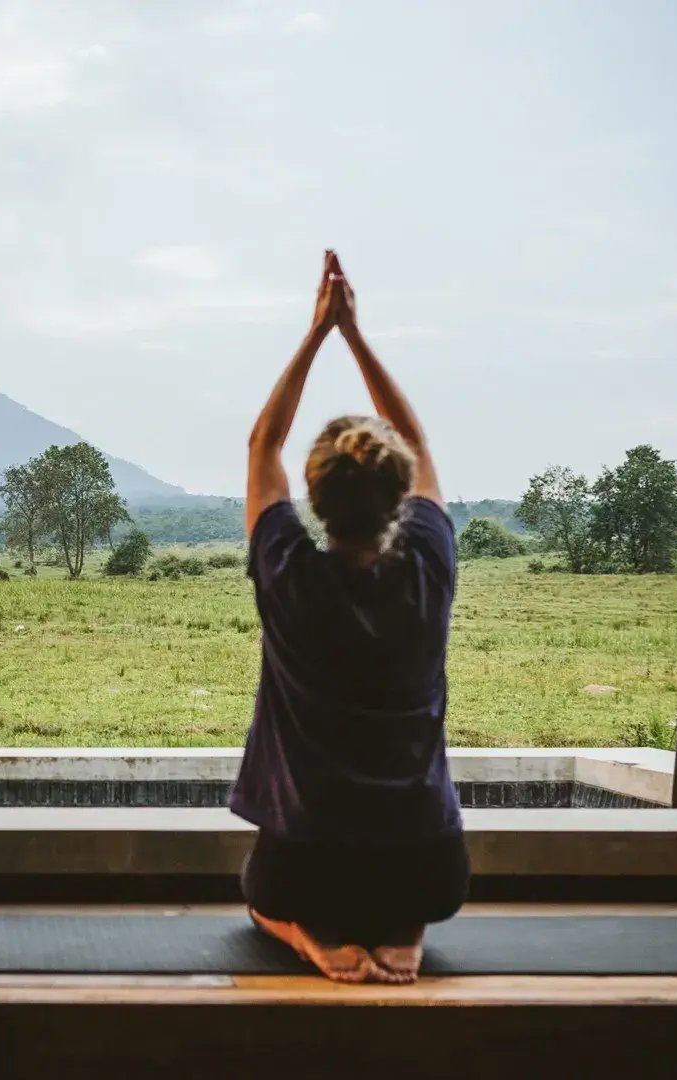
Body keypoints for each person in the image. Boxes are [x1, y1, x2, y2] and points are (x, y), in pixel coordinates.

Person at [231, 251, 468, 984]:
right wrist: (357, 335)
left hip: (304, 871)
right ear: (401, 498)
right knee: (403, 880)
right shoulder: (429, 564)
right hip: (431, 873)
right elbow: (421, 446)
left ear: (317, 501)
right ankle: (403, 936)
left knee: (262, 898)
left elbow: (261, 445)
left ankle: (311, 936)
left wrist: (317, 332)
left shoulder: (290, 573)